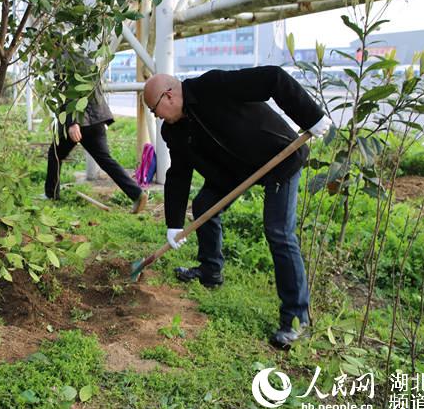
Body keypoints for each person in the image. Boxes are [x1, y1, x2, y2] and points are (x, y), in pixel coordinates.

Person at [142, 66, 331, 349]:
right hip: (235, 172)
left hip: (279, 159)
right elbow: (179, 173)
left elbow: (273, 79)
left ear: (169, 96)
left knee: (278, 231)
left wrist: (310, 115)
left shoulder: (212, 86)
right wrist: (174, 223)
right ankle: (210, 271)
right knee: (205, 204)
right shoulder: (174, 130)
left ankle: (296, 317)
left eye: (155, 109)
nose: (156, 116)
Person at [45, 51, 148, 213]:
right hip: (97, 119)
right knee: (105, 160)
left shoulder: (63, 61)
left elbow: (71, 92)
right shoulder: (83, 59)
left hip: (81, 121)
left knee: (55, 154)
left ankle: (51, 195)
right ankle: (136, 193)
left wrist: (73, 122)